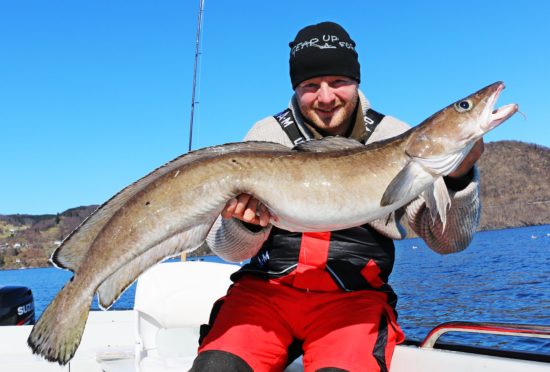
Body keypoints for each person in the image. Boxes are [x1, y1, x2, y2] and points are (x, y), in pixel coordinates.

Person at [190, 21, 482, 372]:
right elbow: (228, 251)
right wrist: (244, 227)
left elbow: (448, 241)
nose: (326, 97)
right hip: (266, 295)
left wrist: (458, 177)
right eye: (310, 85)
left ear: (357, 81)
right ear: (296, 88)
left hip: (352, 302)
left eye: (338, 82)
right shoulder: (264, 137)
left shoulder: (398, 137)